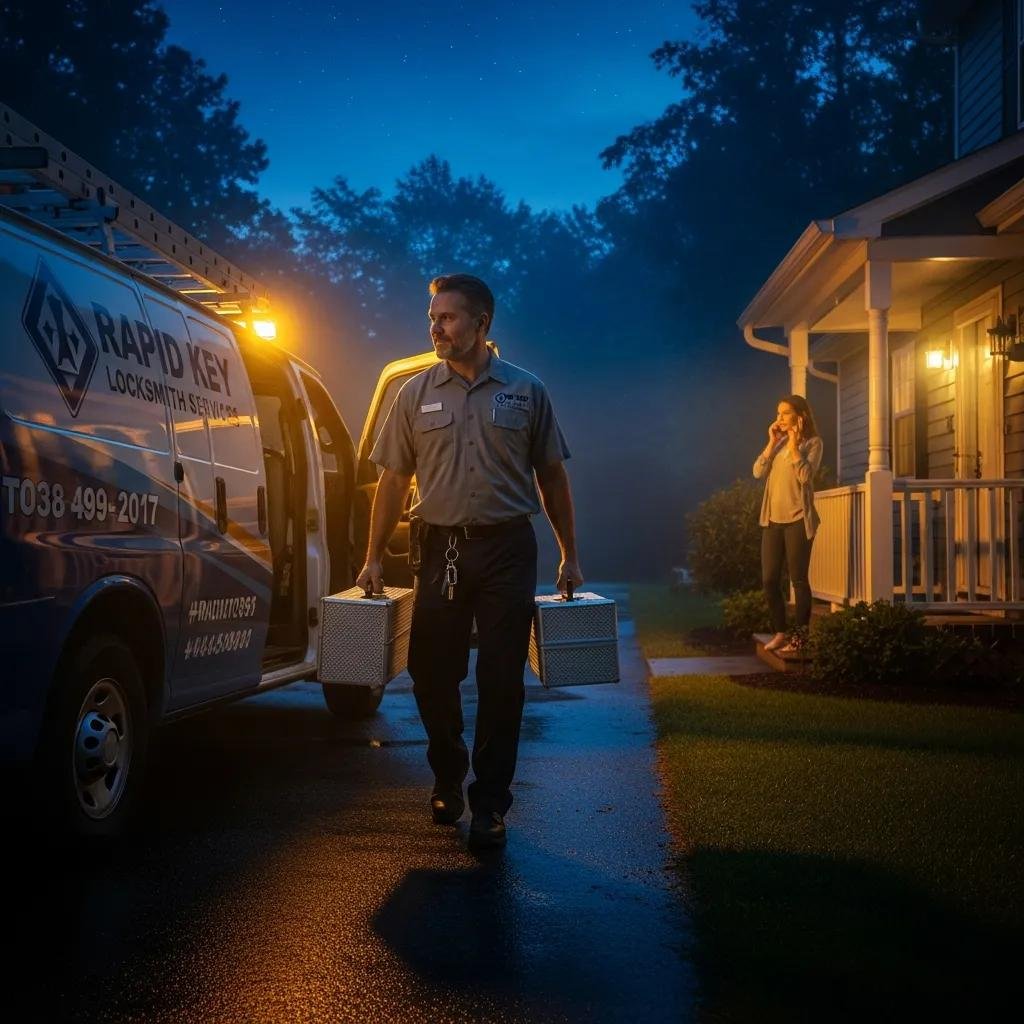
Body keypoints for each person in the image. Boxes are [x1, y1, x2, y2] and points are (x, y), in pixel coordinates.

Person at [357, 273, 582, 848]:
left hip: (508, 546)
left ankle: (490, 804)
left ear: (482, 323)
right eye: (432, 317)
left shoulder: (526, 391)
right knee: (433, 673)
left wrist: (569, 556)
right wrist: (373, 556)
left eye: (448, 317)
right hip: (440, 550)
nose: (436, 327)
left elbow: (552, 477)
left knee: (502, 678)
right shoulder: (413, 393)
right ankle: (448, 772)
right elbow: (392, 480)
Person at [753, 394, 823, 654]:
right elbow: (758, 472)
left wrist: (795, 446)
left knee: (799, 581)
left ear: (799, 416)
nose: (779, 418)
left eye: (784, 413)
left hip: (797, 521)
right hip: (772, 521)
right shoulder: (778, 444)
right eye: (778, 413)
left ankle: (801, 637)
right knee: (769, 580)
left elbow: (806, 477)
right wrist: (772, 443)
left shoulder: (813, 444)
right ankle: (781, 633)